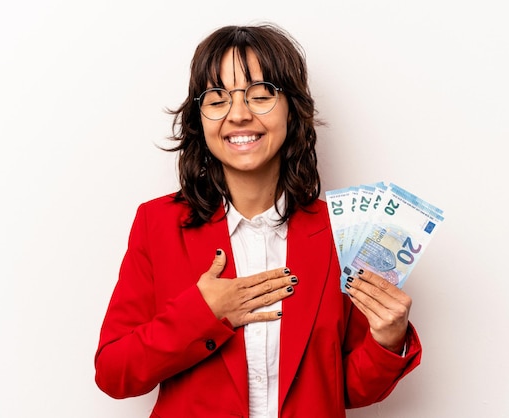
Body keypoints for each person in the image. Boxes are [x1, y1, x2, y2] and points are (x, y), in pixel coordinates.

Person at [94, 23, 421, 418]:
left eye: (261, 95)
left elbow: (344, 388)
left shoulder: (342, 232)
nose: (239, 115)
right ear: (200, 119)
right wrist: (203, 313)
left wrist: (387, 340)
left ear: (293, 110)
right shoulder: (158, 223)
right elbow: (114, 373)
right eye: (217, 100)